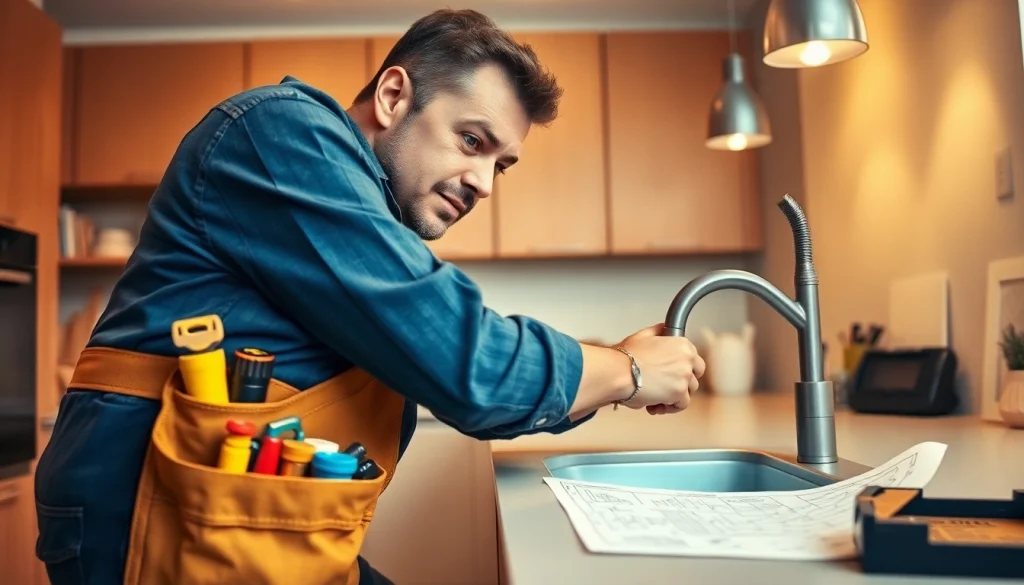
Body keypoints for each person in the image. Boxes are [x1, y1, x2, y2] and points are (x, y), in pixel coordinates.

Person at [34, 8, 705, 585]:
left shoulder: (367, 214)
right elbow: (471, 366)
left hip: (243, 524)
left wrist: (618, 365)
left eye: (500, 163)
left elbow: (465, 357)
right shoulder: (284, 137)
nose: (485, 183)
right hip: (143, 512)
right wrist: (630, 370)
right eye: (472, 140)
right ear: (392, 96)